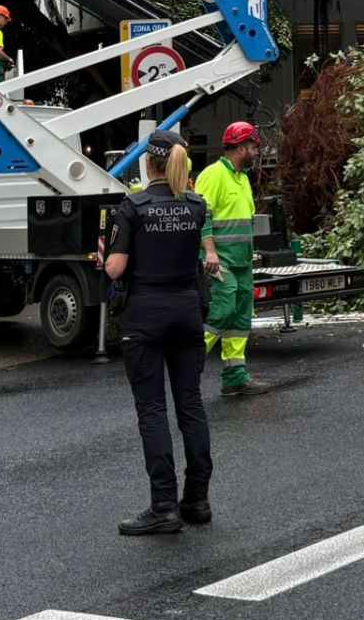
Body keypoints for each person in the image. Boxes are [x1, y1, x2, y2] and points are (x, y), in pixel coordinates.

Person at [101, 128, 213, 536]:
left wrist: (104, 250)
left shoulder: (134, 206)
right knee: (191, 405)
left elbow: (114, 268)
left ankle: (164, 505)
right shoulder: (196, 205)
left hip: (145, 316)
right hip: (186, 311)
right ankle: (197, 499)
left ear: (149, 163)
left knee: (152, 410)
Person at [196, 121, 270, 398]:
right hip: (220, 261)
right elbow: (202, 214)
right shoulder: (213, 175)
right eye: (253, 147)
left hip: (241, 263)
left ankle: (235, 377)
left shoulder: (242, 178)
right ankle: (189, 364)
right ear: (241, 148)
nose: (255, 152)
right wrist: (210, 252)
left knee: (240, 319)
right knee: (222, 311)